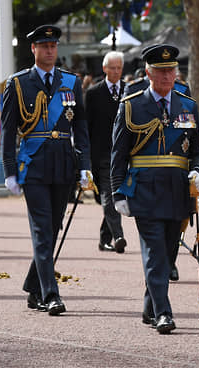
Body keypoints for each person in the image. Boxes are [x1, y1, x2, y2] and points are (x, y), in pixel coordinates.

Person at [111, 44, 199, 334]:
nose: (168, 77)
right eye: (161, 72)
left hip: (178, 189)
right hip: (145, 188)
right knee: (154, 253)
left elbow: (197, 150)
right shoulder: (131, 105)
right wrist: (118, 192)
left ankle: (150, 306)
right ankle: (164, 313)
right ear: (149, 73)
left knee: (168, 252)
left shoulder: (187, 105)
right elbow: (119, 152)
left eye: (171, 71)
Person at [1, 25, 92, 316]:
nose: (50, 51)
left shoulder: (71, 82)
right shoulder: (17, 84)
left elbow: (81, 129)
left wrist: (85, 166)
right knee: (42, 230)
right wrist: (10, 171)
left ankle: (33, 285)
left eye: (53, 46)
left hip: (63, 163)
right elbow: (7, 131)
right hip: (35, 165)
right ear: (34, 50)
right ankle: (50, 293)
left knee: (53, 229)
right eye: (44, 46)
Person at [85, 50, 127, 254]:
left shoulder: (129, 91)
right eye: (113, 68)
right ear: (104, 69)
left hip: (124, 155)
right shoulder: (93, 93)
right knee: (109, 197)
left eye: (119, 68)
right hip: (102, 155)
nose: (116, 72)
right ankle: (118, 235)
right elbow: (87, 127)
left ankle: (104, 238)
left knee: (116, 196)